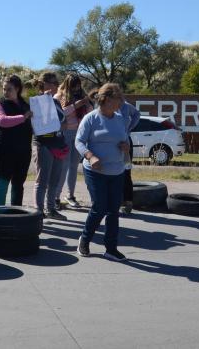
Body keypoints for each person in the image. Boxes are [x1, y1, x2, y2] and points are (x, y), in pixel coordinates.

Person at [76, 83, 130, 262]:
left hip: (117, 170)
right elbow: (79, 142)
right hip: (95, 170)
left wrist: (125, 147)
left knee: (113, 210)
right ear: (106, 100)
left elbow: (124, 140)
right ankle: (84, 240)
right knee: (99, 207)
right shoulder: (90, 118)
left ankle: (111, 248)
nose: (120, 104)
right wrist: (90, 156)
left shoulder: (120, 118)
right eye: (117, 100)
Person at [0, 75, 33, 206]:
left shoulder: (26, 106)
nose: (5, 92)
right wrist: (23, 117)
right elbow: (1, 121)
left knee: (18, 183)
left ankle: (16, 214)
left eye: (9, 89)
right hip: (4, 150)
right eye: (4, 89)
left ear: (17, 89)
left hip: (23, 151)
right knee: (2, 182)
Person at [32, 72, 68, 221]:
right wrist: (45, 100)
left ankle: (51, 208)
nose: (55, 86)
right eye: (52, 83)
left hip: (58, 144)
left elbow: (63, 123)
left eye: (56, 83)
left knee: (55, 179)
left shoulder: (56, 101)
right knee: (42, 180)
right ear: (44, 84)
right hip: (44, 145)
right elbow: (41, 125)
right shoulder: (37, 101)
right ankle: (38, 211)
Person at [54, 75, 91, 209]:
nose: (77, 88)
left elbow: (90, 113)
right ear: (68, 85)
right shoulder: (58, 96)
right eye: (74, 85)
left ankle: (70, 195)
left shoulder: (82, 95)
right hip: (64, 133)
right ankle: (56, 197)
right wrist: (76, 105)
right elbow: (59, 113)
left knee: (74, 166)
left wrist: (86, 103)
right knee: (63, 166)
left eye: (78, 85)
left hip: (79, 134)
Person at [118, 100, 141, 214]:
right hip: (111, 143)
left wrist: (130, 128)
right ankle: (116, 201)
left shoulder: (126, 105)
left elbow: (137, 114)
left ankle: (127, 202)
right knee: (113, 172)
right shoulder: (104, 105)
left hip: (126, 142)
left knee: (126, 172)